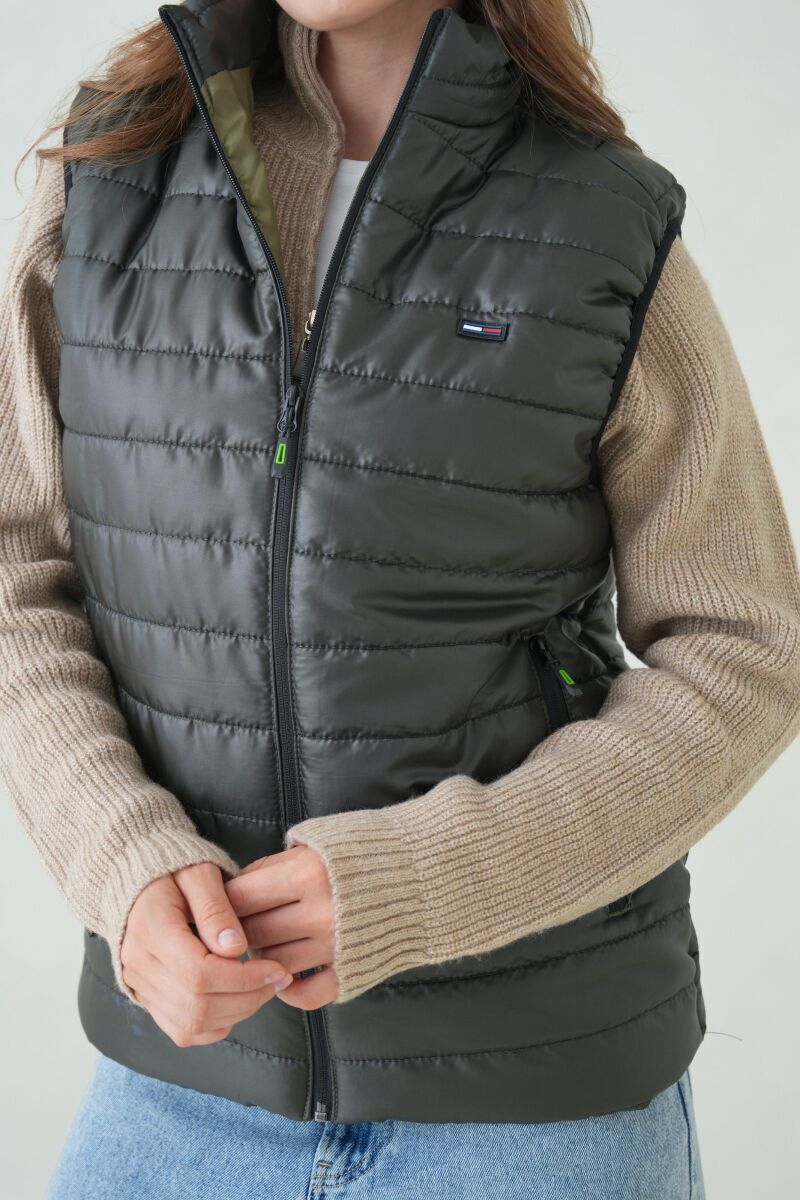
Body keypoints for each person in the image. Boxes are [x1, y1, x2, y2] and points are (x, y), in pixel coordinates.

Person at [2, 0, 798, 1195]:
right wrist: (123, 860)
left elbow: (743, 643)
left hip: (534, 1109)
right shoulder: (109, 174)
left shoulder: (600, 218)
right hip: (179, 1094)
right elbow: (17, 571)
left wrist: (425, 884)